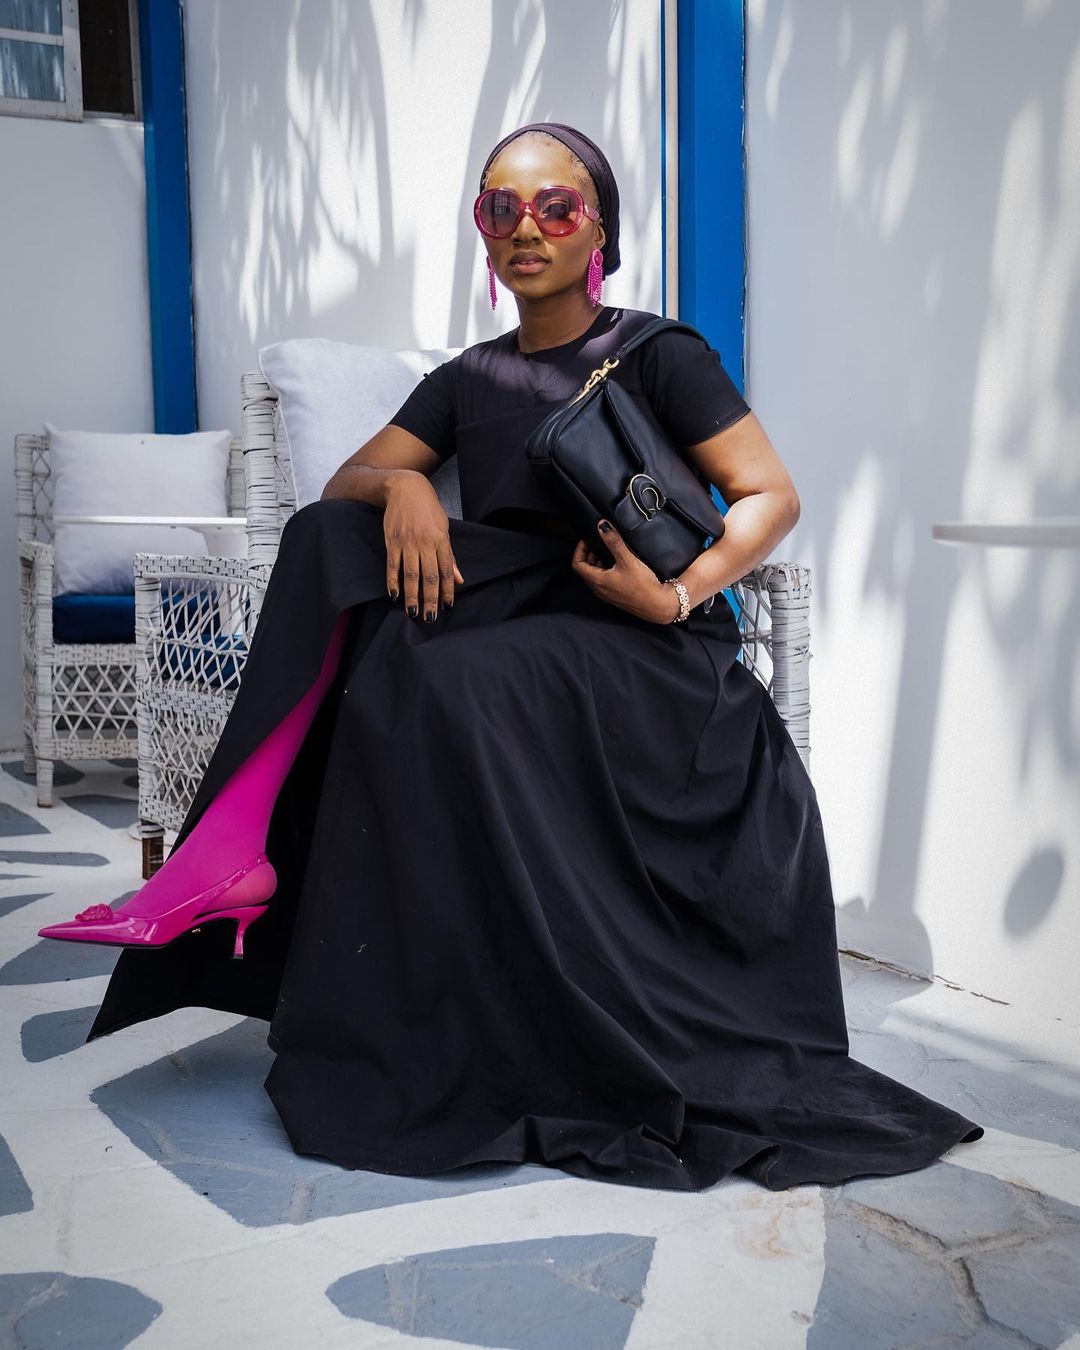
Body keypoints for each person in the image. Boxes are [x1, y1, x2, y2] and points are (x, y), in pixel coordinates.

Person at [37, 122, 984, 1191]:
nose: (526, 226)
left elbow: (770, 496)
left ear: (598, 231)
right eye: (501, 208)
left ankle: (267, 873)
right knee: (331, 539)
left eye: (556, 206)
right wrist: (404, 485)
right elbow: (351, 479)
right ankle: (231, 848)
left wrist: (675, 593)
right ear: (482, 233)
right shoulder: (469, 378)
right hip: (515, 626)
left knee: (433, 680)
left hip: (642, 643)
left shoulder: (658, 353)